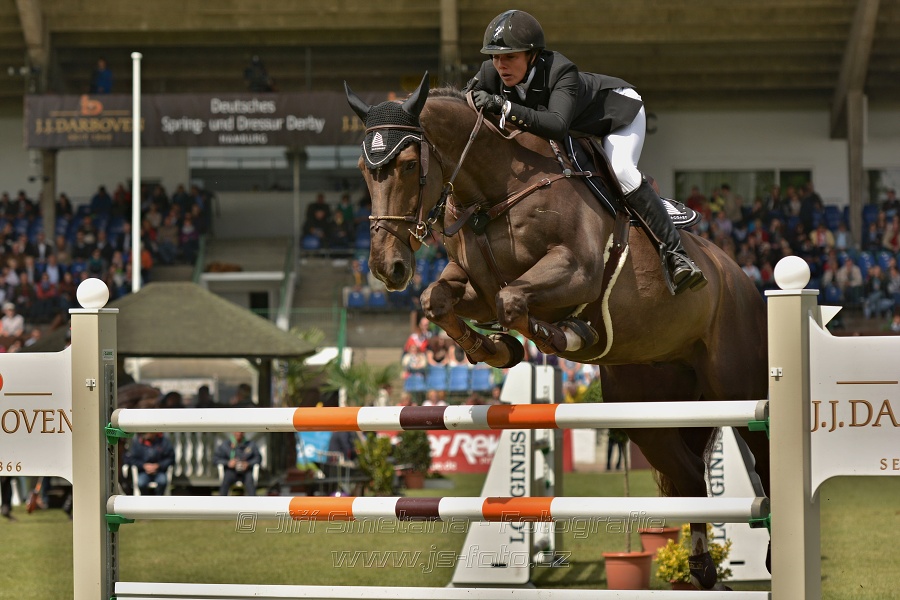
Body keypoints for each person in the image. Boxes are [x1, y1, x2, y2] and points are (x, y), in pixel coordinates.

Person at [464, 10, 705, 294]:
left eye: (510, 57)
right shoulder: (491, 72)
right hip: (578, 128)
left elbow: (556, 124)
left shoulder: (560, 70)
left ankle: (676, 255)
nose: (500, 65)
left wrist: (503, 107)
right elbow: (467, 108)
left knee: (621, 171)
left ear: (532, 55)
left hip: (616, 115)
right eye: (495, 57)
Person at [214, 432, 262, 496]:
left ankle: (253, 504)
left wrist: (248, 463)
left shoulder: (250, 445)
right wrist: (228, 463)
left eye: (241, 432)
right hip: (231, 471)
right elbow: (216, 459)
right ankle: (222, 503)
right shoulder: (226, 445)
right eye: (237, 431)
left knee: (251, 487)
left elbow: (258, 458)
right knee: (224, 486)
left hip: (246, 472)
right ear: (233, 432)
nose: (239, 433)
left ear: (243, 433)